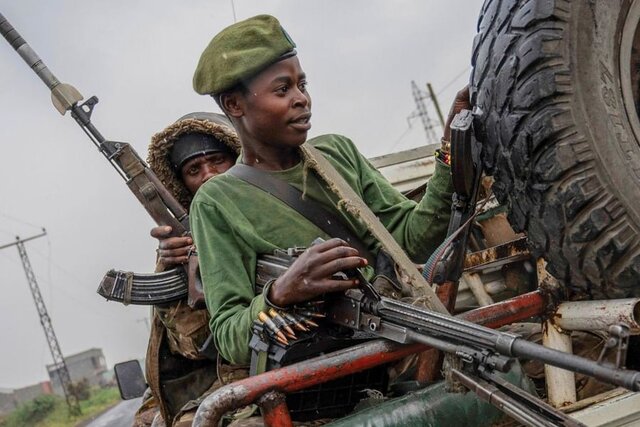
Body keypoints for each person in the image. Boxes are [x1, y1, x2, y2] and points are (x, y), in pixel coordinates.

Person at [189, 14, 469, 368]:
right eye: (282, 90)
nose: (301, 99)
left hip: (401, 347)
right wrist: (279, 295)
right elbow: (230, 336)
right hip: (324, 377)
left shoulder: (337, 154)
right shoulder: (217, 202)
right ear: (234, 105)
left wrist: (450, 150)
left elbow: (414, 240)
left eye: (301, 85)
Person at [133, 112, 242, 427]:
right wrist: (175, 267)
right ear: (183, 184)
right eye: (194, 170)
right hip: (219, 370)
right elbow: (194, 346)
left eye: (218, 160)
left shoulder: (272, 204)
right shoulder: (184, 243)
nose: (209, 175)